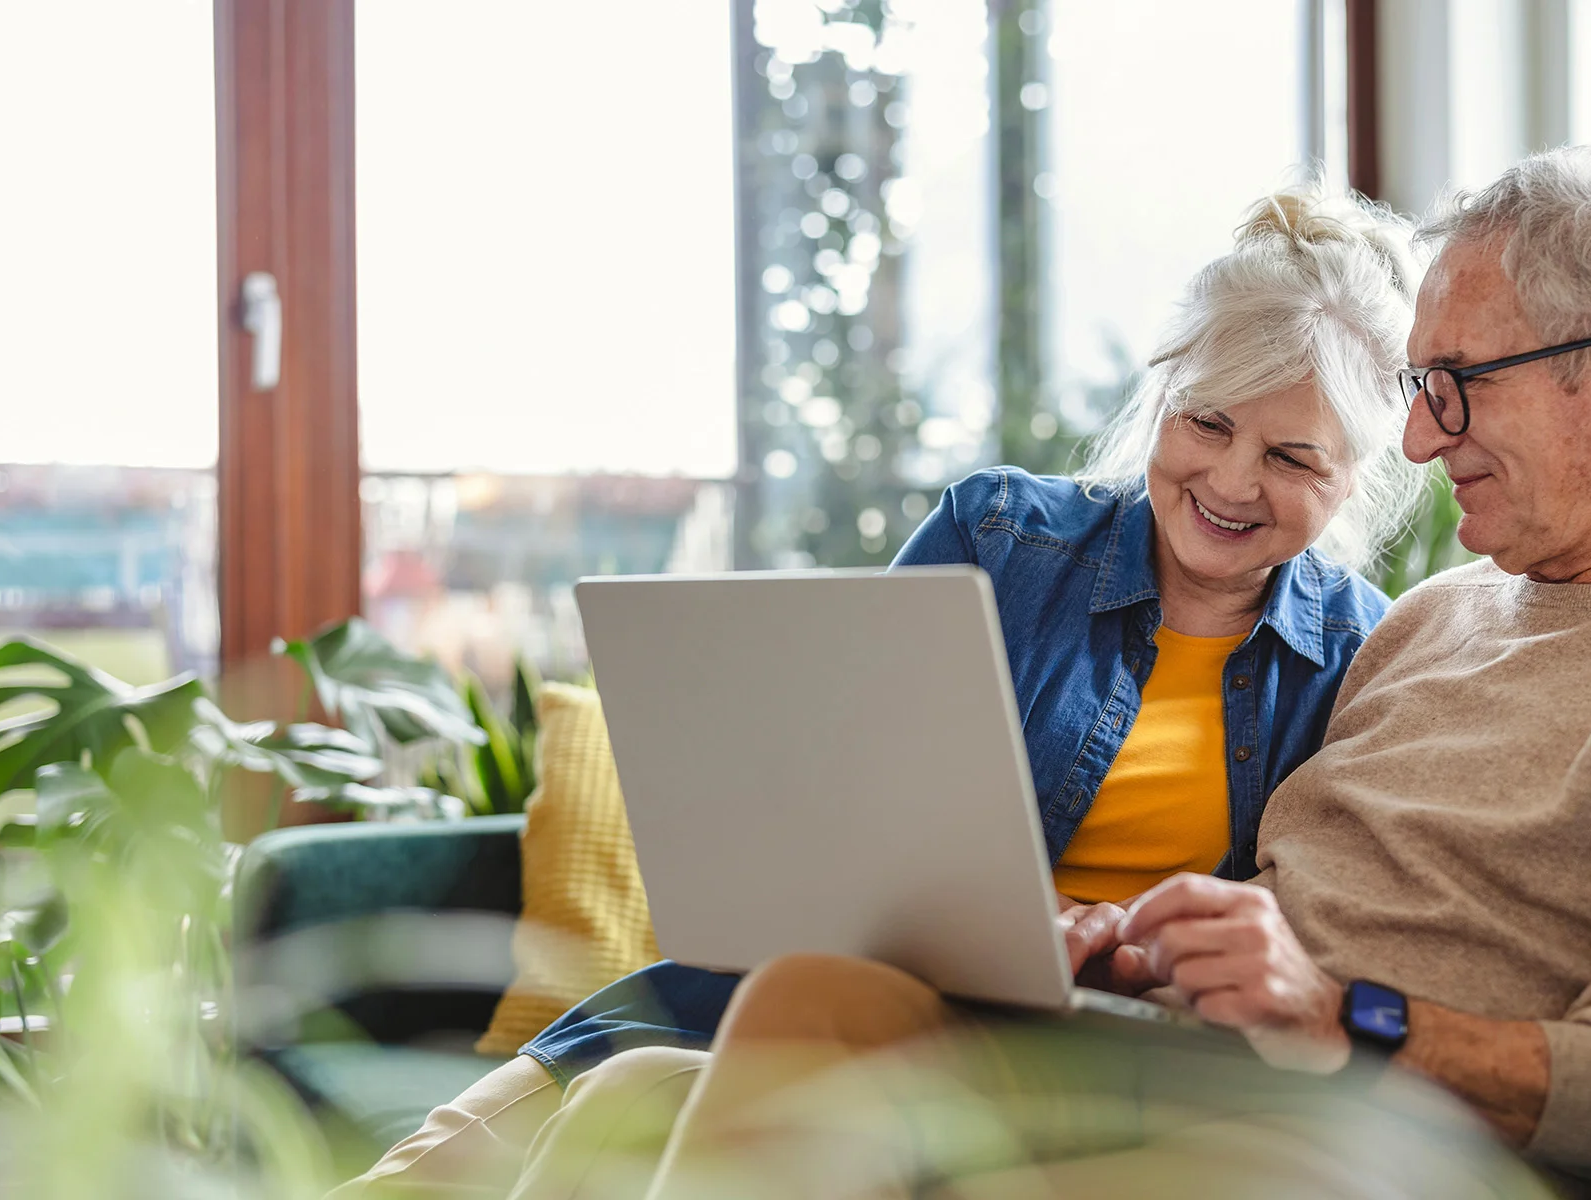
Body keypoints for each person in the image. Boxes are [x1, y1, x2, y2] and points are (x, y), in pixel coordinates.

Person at [402, 145, 1591, 1200]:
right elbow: (1285, 894)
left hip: (1372, 1135)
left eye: (1454, 389)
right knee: (657, 1082)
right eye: (1421, 392)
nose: (1429, 442)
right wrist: (1147, 943)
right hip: (1174, 1058)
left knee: (762, 1060)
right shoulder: (1436, 622)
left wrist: (1348, 1014)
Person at [333, 180, 1429, 1198]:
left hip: (1049, 1055)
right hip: (789, 992)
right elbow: (830, 818)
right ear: (1161, 405)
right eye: (1206, 423)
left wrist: (1130, 949)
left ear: (1354, 478)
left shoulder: (1360, 659)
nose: (1231, 481)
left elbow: (1296, 955)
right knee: (421, 1175)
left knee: (620, 1114)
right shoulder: (997, 538)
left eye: (1291, 459)